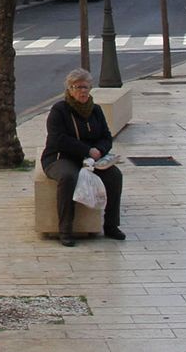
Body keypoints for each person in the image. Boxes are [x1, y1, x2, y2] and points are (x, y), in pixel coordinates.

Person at [41, 67, 125, 246]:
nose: (83, 91)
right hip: (60, 157)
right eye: (78, 87)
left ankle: (111, 225)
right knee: (68, 177)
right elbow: (59, 139)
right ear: (70, 89)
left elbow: (106, 136)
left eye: (86, 87)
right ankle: (65, 229)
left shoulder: (95, 110)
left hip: (92, 159)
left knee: (115, 176)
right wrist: (86, 151)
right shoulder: (59, 110)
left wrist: (99, 151)